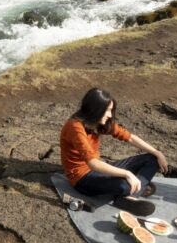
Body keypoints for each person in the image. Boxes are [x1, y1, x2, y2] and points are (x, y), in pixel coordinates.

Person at [60, 87, 168, 216]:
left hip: (97, 170)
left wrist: (158, 153)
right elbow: (93, 163)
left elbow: (130, 138)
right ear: (96, 109)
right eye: (107, 110)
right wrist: (127, 173)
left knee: (152, 159)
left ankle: (130, 194)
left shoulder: (98, 123)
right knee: (124, 185)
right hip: (82, 179)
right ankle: (134, 190)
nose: (110, 115)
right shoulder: (75, 127)